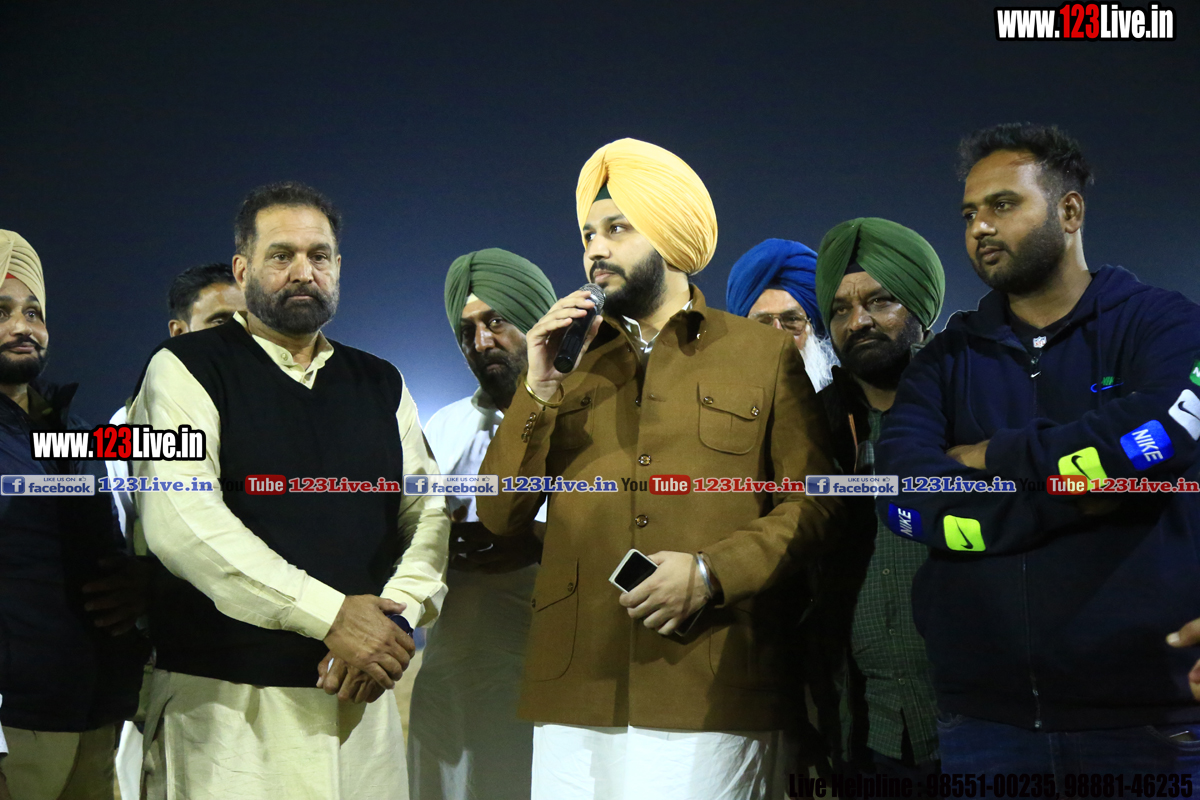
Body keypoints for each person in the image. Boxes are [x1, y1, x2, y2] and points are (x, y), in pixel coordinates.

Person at [477, 138, 841, 800]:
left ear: (671, 237)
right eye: (588, 234)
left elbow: (813, 502)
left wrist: (710, 573)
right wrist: (537, 387)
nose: (595, 249)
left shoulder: (760, 354)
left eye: (617, 228)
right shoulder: (565, 363)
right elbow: (500, 513)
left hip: (709, 678)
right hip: (575, 683)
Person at [877, 123, 1200, 776]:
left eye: (1003, 204)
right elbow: (903, 492)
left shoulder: (1166, 324)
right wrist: (1075, 497)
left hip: (1150, 720)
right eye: (969, 213)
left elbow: (1162, 431)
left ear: (1069, 211)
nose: (980, 227)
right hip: (984, 725)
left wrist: (994, 458)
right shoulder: (943, 361)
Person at [129, 182, 449, 799]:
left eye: (318, 255)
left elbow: (427, 513)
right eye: (282, 255)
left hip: (361, 702)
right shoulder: (184, 367)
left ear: (338, 268)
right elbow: (183, 522)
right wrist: (332, 616)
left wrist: (395, 621)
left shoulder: (380, 382)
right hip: (228, 710)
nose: (303, 271)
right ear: (243, 270)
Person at [0, 230, 148, 800]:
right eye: (2, 311)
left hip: (93, 715)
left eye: (33, 312)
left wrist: (136, 583)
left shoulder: (73, 433)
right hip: (15, 725)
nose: (23, 327)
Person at [407, 248, 556, 800]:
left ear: (539, 324)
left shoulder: (590, 420)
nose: (482, 341)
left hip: (555, 678)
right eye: (467, 330)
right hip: (452, 680)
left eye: (496, 321)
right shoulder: (443, 427)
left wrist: (537, 542)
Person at [802, 218, 945, 787]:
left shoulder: (974, 405)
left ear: (920, 307)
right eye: (839, 309)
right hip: (863, 734)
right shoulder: (813, 430)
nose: (857, 321)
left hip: (978, 723)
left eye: (880, 301)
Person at [107, 261, 246, 800]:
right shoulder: (127, 428)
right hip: (171, 661)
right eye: (220, 322)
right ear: (179, 332)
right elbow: (123, 538)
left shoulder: (269, 418)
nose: (237, 336)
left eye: (247, 322)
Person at [725, 238, 838, 391]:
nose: (777, 335)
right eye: (762, 323)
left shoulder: (844, 405)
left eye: (792, 320)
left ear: (813, 330)